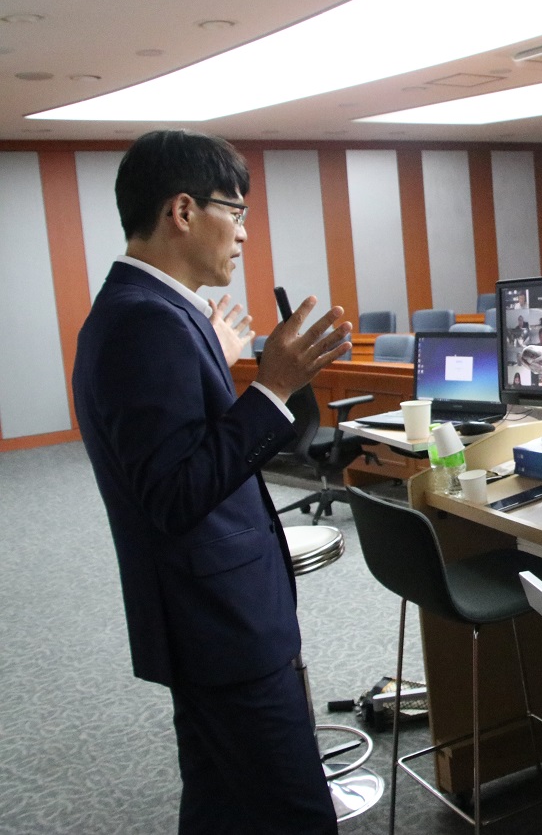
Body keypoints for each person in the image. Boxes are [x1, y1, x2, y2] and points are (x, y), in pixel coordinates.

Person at [72, 130, 349, 835]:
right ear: (183, 211)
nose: (245, 233)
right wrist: (274, 386)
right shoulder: (146, 322)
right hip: (220, 623)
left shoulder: (151, 309)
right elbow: (174, 493)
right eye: (237, 211)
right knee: (294, 813)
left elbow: (182, 446)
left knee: (223, 805)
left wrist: (220, 369)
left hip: (206, 616)